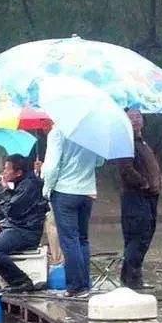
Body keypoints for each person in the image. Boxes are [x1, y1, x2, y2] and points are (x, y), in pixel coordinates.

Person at [41, 127, 104, 297]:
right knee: (82, 239)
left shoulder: (58, 131)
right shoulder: (92, 131)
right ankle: (85, 284)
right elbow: (99, 161)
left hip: (64, 191)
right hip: (87, 192)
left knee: (69, 240)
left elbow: (51, 167)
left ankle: (76, 287)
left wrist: (47, 188)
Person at [0, 155, 49, 292]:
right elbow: (17, 213)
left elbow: (11, 209)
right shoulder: (25, 183)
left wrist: (6, 189)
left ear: (18, 172)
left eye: (7, 169)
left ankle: (22, 281)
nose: (4, 172)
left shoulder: (29, 185)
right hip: (19, 227)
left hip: (26, 232)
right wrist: (2, 224)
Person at [117, 109, 162, 289]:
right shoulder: (125, 142)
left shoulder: (141, 141)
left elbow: (150, 165)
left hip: (150, 197)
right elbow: (125, 170)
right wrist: (144, 183)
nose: (136, 120)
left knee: (146, 234)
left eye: (138, 117)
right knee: (138, 236)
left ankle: (129, 277)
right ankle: (132, 280)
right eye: (131, 118)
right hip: (135, 197)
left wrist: (159, 180)